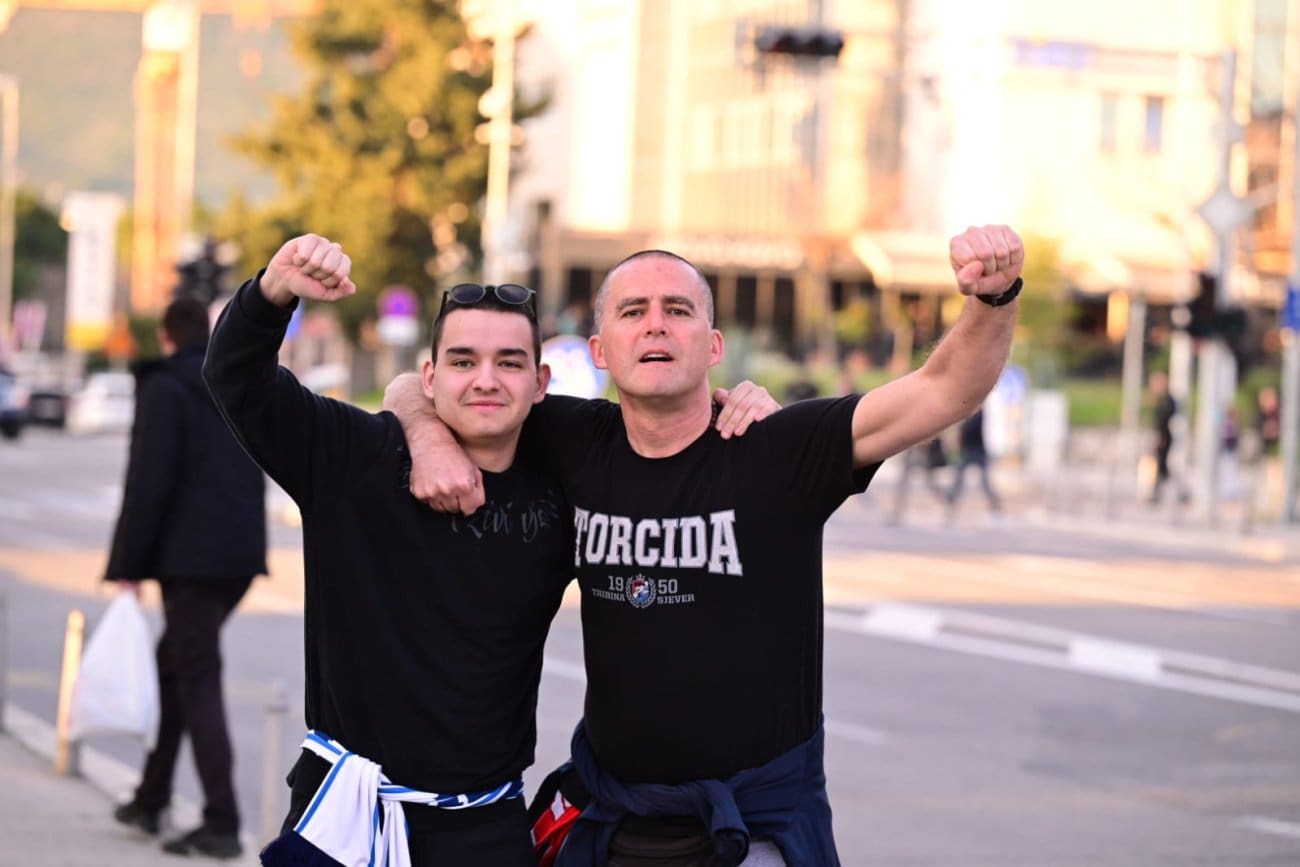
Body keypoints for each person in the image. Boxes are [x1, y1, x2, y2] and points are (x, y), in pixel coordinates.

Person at [388, 224, 1024, 865]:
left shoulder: (776, 450)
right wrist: (430, 438)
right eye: (632, 312)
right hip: (616, 818)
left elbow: (945, 389)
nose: (655, 325)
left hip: (751, 829)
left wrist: (993, 298)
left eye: (678, 310)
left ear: (713, 344)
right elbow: (419, 386)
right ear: (600, 349)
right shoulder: (569, 438)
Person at [202, 234, 780, 865]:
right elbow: (236, 378)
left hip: (487, 829)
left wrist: (743, 411)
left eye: (508, 363)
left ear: (540, 382)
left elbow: (669, 452)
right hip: (349, 817)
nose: (485, 380)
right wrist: (273, 291)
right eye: (462, 361)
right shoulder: (351, 457)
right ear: (430, 377)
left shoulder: (569, 486)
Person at [105, 296, 267, 859]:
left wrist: (128, 565)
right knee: (174, 665)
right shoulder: (229, 384)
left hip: (191, 561)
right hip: (239, 557)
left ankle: (222, 821)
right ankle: (150, 798)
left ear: (167, 335)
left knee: (196, 676)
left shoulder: (166, 387)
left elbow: (148, 481)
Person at [944, 403, 1002, 517]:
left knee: (984, 483)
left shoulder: (977, 413)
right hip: (968, 450)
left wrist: (961, 431)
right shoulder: (968, 412)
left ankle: (995, 505)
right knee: (959, 481)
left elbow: (970, 429)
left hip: (977, 450)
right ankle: (950, 506)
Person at [1147, 370, 1185, 505]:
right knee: (1161, 464)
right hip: (1162, 434)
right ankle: (1161, 490)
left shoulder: (1167, 400)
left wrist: (1160, 437)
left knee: (1162, 464)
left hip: (1164, 434)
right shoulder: (1162, 399)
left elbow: (1164, 419)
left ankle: (1172, 491)